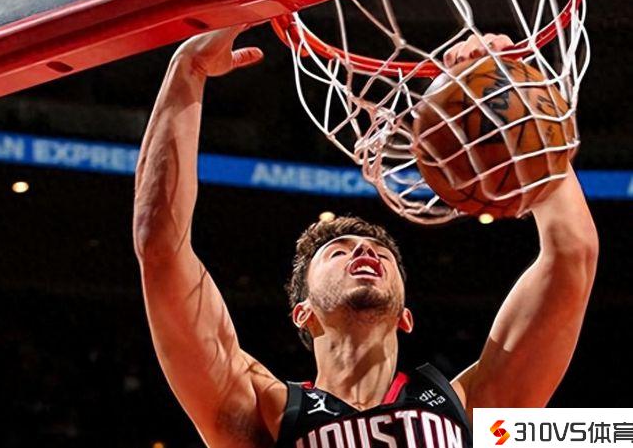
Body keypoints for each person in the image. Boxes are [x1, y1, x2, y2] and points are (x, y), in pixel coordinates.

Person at [132, 26, 598, 448]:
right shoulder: (265, 412)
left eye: (381, 253)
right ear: (303, 312)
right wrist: (187, 70)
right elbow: (161, 248)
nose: (363, 251)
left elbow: (573, 254)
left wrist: (514, 100)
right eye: (337, 252)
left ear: (406, 317)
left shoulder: (472, 407)